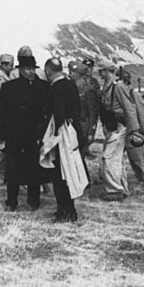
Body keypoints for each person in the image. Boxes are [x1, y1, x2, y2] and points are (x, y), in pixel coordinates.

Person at [0, 55, 51, 211]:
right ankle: (11, 202)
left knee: (34, 171)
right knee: (13, 171)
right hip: (14, 136)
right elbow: (1, 114)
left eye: (33, 69)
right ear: (19, 70)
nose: (30, 72)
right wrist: (0, 138)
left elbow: (48, 114)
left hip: (35, 137)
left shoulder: (45, 88)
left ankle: (34, 201)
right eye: (27, 69)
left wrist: (44, 135)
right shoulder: (8, 88)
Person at [44, 58, 85, 222]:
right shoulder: (71, 86)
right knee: (71, 174)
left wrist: (51, 137)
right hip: (74, 134)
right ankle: (71, 210)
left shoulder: (55, 89)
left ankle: (64, 212)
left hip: (62, 137)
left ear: (48, 71)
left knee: (60, 176)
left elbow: (59, 115)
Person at [97, 61, 144, 201]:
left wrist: (134, 130)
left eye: (101, 71)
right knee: (117, 159)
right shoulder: (108, 86)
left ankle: (114, 190)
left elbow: (129, 109)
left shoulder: (118, 87)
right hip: (112, 127)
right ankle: (122, 187)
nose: (99, 74)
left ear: (106, 71)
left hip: (119, 127)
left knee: (109, 157)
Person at [118, 69, 144, 184]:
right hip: (119, 129)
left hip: (133, 130)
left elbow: (142, 113)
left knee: (137, 157)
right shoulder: (117, 94)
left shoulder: (134, 95)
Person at [68, 61, 99, 158]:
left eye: (74, 73)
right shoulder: (71, 86)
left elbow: (92, 112)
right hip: (72, 126)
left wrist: (91, 132)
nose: (71, 74)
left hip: (83, 127)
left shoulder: (87, 90)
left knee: (79, 156)